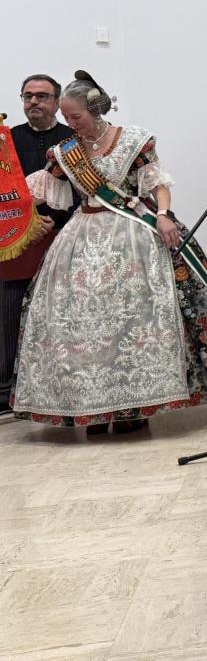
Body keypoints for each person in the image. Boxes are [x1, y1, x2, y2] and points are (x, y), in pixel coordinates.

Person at [13, 72, 207, 435]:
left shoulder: (133, 141)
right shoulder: (65, 153)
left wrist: (163, 217)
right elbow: (36, 192)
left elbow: (157, 183)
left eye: (77, 118)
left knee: (134, 319)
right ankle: (93, 409)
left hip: (134, 234)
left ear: (96, 110)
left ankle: (134, 407)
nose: (71, 125)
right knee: (81, 324)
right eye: (67, 119)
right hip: (82, 236)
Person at [0, 75, 75, 412]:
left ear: (57, 102)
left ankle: (60, 383)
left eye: (42, 96)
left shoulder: (72, 139)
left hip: (63, 233)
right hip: (17, 240)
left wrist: (52, 222)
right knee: (8, 305)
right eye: (28, 96)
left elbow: (84, 190)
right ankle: (6, 389)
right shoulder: (8, 140)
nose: (34, 102)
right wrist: (23, 225)